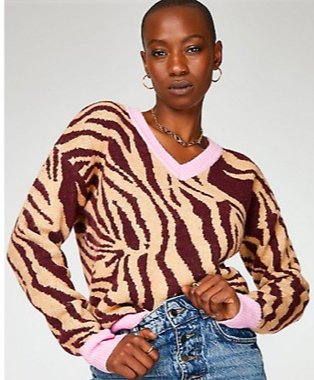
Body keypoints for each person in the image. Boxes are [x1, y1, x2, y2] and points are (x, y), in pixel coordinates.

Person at [6, 0, 310, 379]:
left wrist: (242, 307)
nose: (178, 66)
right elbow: (30, 242)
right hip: (136, 356)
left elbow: (289, 283)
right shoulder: (105, 130)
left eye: (193, 48)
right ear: (146, 62)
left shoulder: (239, 173)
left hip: (228, 355)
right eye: (160, 52)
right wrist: (91, 341)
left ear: (216, 55)